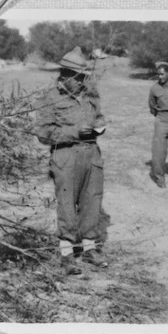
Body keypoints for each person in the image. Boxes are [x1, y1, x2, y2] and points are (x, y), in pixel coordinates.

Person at [34, 46, 109, 276]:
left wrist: (100, 125)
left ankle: (89, 248)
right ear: (65, 75)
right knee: (66, 204)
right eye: (78, 77)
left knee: (92, 201)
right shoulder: (49, 99)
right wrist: (76, 132)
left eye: (84, 77)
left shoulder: (90, 95)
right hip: (65, 156)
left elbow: (98, 117)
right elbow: (43, 134)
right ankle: (67, 254)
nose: (82, 81)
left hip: (91, 154)